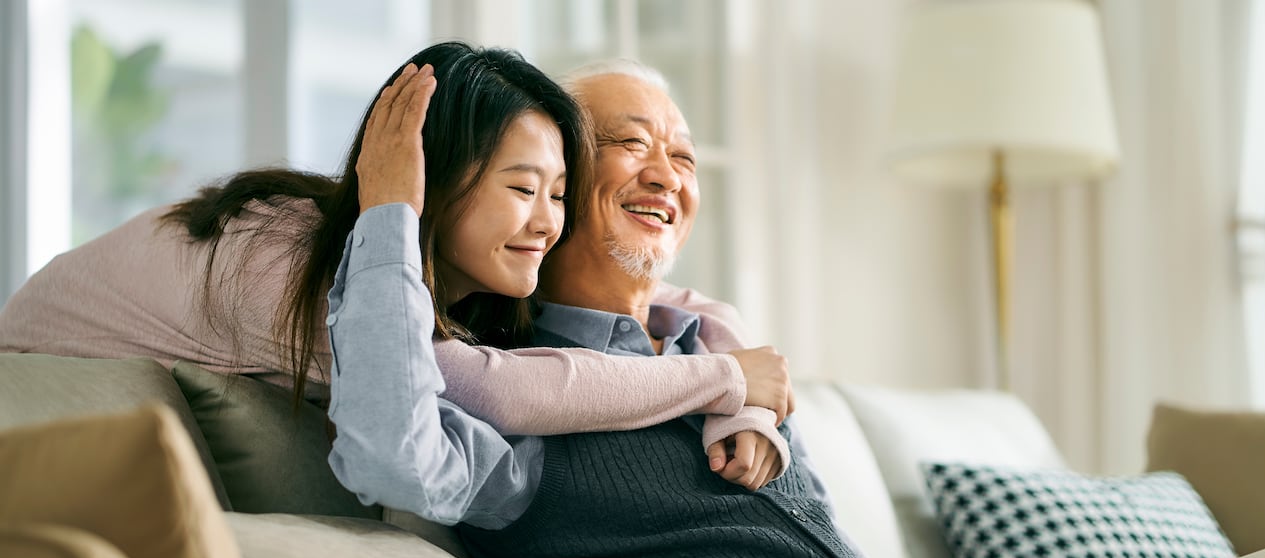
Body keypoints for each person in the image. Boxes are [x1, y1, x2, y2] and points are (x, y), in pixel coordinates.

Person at [326, 57, 1265, 558]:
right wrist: (389, 214)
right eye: (629, 144)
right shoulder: (508, 403)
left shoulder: (727, 366)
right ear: (556, 186)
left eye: (685, 153)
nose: (669, 173)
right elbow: (388, 450)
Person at [0, 41, 793, 486]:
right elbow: (456, 416)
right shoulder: (290, 261)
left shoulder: (469, 271)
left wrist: (741, 377)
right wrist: (724, 380)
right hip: (38, 421)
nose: (548, 223)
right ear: (433, 182)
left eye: (560, 192)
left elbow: (673, 299)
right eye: (524, 188)